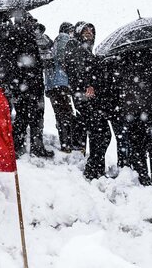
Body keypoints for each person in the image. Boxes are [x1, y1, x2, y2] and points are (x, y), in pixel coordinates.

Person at [112, 46, 152, 187]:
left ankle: (142, 178)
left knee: (137, 147)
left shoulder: (123, 54)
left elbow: (118, 79)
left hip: (133, 109)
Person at [63, 22, 112, 179]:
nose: (89, 33)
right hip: (86, 97)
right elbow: (77, 68)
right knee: (101, 134)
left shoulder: (86, 50)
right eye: (85, 30)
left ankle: (96, 169)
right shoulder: (75, 47)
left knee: (100, 134)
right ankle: (93, 170)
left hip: (89, 99)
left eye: (92, 30)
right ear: (78, 32)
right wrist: (87, 85)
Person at [11, 14, 54, 158]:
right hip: (25, 83)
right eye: (30, 21)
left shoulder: (29, 37)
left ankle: (30, 146)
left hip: (30, 83)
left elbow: (45, 51)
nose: (33, 23)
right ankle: (21, 146)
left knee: (32, 116)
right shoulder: (19, 36)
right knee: (26, 116)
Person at [45, 22, 76, 152]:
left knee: (60, 113)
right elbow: (64, 58)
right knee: (66, 113)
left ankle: (65, 142)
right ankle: (67, 143)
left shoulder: (54, 44)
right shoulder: (64, 38)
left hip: (52, 84)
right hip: (61, 82)